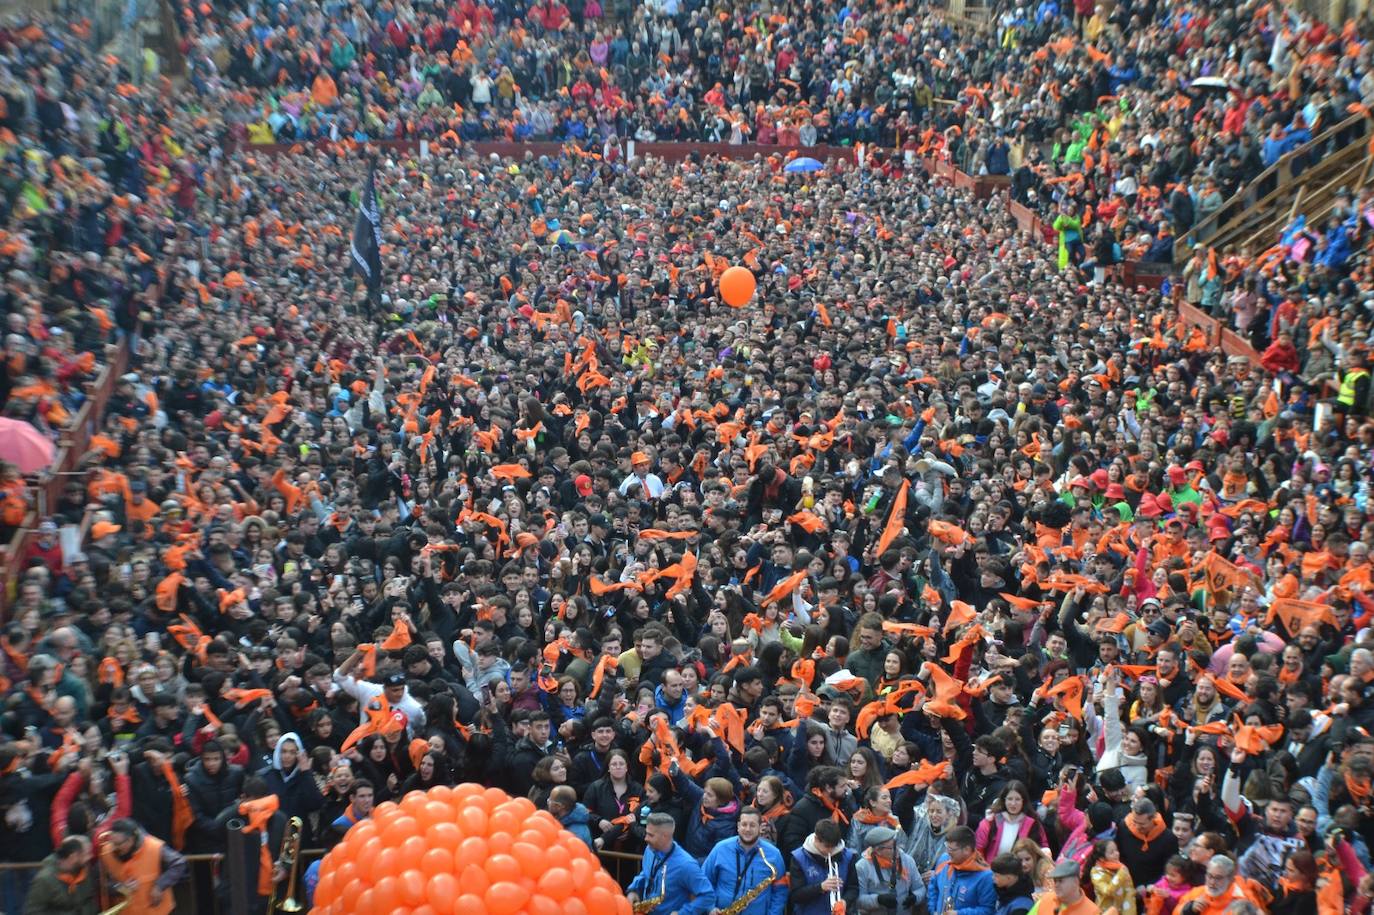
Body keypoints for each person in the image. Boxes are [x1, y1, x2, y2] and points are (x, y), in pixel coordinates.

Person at [700, 806, 786, 915]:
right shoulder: (720, 848)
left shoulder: (774, 855)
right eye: (744, 824)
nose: (747, 829)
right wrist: (710, 907)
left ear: (760, 828)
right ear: (738, 826)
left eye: (752, 825)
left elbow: (780, 891)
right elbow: (703, 881)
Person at [626, 812, 713, 915]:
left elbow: (707, 895)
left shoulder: (686, 865)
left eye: (650, 835)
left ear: (665, 836)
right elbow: (645, 873)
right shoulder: (649, 850)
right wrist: (633, 890)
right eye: (646, 833)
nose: (646, 839)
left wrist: (683, 913)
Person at [99, 819, 187, 915]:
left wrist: (159, 886)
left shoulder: (155, 847)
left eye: (118, 844)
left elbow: (178, 863)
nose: (114, 847)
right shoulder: (106, 852)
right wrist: (119, 888)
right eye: (112, 843)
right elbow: (100, 881)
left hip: (157, 911)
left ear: (131, 840)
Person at [787, 818, 859, 915]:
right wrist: (820, 887)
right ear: (816, 839)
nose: (830, 850)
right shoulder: (799, 858)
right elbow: (796, 895)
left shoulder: (848, 856)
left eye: (833, 846)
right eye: (827, 846)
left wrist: (845, 901)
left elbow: (853, 888)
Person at [927, 826, 996, 915]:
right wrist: (933, 910)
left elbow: (988, 910)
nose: (948, 852)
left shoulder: (986, 877)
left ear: (967, 850)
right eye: (947, 847)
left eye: (951, 849)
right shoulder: (944, 860)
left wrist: (959, 914)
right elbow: (933, 886)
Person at [854, 825, 923, 915]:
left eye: (896, 844)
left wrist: (915, 898)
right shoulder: (862, 866)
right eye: (891, 847)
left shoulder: (907, 861)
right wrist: (878, 900)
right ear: (877, 850)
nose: (897, 850)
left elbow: (920, 888)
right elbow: (858, 899)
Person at [23, 835, 97, 915]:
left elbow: (89, 902)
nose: (90, 857)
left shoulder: (84, 871)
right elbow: (33, 912)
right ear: (73, 857)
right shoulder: (44, 880)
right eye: (87, 854)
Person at [1174, 855, 1258, 915]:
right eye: (1209, 876)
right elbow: (1175, 912)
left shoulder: (1241, 904)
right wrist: (1189, 909)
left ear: (1231, 880)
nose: (1212, 882)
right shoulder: (1197, 892)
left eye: (1218, 878)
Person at [1027, 859, 1097, 915]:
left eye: (1061, 881)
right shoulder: (1045, 900)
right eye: (1055, 881)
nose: (1056, 885)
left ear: (1076, 882)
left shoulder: (1093, 912)